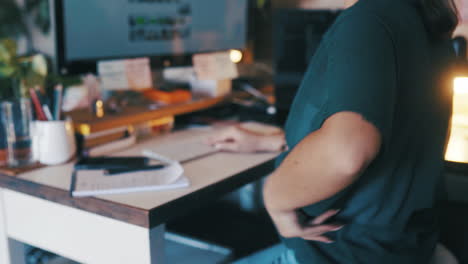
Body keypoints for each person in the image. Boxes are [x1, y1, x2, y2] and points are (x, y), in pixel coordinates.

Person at [207, 0, 458, 263]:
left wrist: (274, 196)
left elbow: (347, 151)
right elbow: (395, 130)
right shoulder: (419, 20)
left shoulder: (368, 20)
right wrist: (272, 142)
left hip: (340, 253)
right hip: (401, 247)